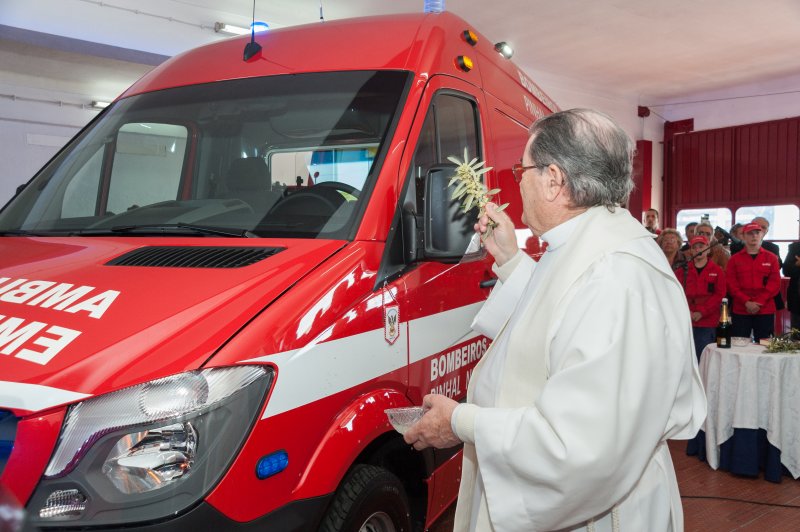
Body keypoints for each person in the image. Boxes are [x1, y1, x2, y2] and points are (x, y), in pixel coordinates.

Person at [404, 109, 706, 531]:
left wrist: (460, 422)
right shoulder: (589, 242)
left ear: (553, 179)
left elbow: (579, 446)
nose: (518, 181)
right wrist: (510, 259)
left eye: (522, 170)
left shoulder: (616, 276)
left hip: (594, 515)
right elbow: (560, 312)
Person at [726, 222, 781, 342]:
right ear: (743, 236)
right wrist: (746, 301)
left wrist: (759, 302)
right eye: (750, 233)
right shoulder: (734, 260)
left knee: (764, 345)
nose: (754, 236)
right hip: (741, 309)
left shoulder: (772, 258)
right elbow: (731, 284)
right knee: (739, 344)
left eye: (757, 233)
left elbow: (775, 283)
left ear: (762, 235)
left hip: (765, 309)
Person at [677, 235, 726, 360]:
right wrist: (688, 312)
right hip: (685, 319)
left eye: (701, 247)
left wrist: (702, 312)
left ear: (708, 249)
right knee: (684, 356)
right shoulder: (682, 270)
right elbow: (676, 293)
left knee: (702, 356)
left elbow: (719, 295)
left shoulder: (717, 271)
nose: (698, 249)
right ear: (691, 250)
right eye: (695, 247)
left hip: (707, 321)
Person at [783, 238, 800, 337]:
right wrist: (797, 265)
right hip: (797, 300)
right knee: (796, 336)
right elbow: (786, 271)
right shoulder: (795, 247)